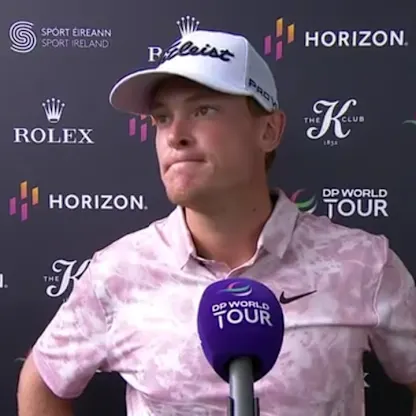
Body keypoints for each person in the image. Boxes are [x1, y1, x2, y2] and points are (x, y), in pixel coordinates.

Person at [17, 28, 416, 416]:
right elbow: (41, 381)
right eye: (162, 118)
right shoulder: (118, 272)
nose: (174, 135)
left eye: (202, 110)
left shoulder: (364, 263)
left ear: (269, 130)